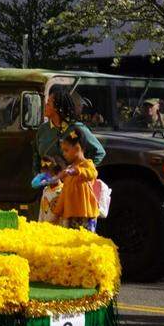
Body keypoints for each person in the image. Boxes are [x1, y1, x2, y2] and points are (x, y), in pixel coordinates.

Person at [34, 86, 106, 224]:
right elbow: (37, 155)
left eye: (49, 103)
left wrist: (79, 171)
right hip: (49, 189)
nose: (45, 105)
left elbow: (99, 152)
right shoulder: (43, 130)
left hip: (70, 192)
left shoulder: (76, 129)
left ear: (58, 108)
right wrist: (38, 176)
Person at [51, 131, 100, 231]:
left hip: (85, 215)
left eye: (66, 150)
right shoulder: (69, 170)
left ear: (78, 148)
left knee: (83, 243)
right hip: (70, 216)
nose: (64, 154)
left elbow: (92, 174)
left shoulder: (87, 164)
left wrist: (76, 170)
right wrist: (56, 213)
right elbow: (65, 194)